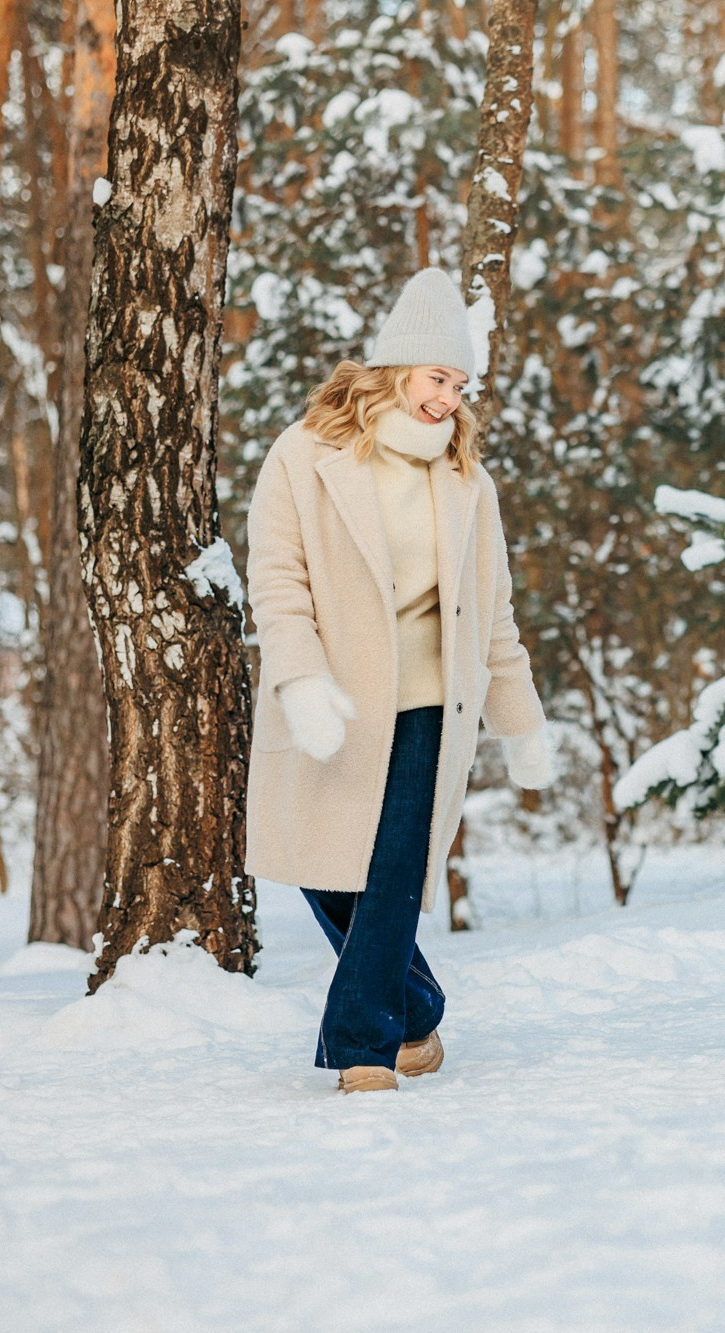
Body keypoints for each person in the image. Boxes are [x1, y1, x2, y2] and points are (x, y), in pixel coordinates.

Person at [243, 269, 553, 1092]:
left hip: (429, 707)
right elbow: (278, 580)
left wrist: (521, 724)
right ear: (396, 368)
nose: (448, 397)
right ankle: (415, 1008)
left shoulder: (466, 482)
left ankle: (362, 1049)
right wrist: (300, 678)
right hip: (334, 697)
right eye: (437, 378)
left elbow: (495, 618)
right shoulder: (306, 454)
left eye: (460, 384)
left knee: (388, 871)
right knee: (325, 867)